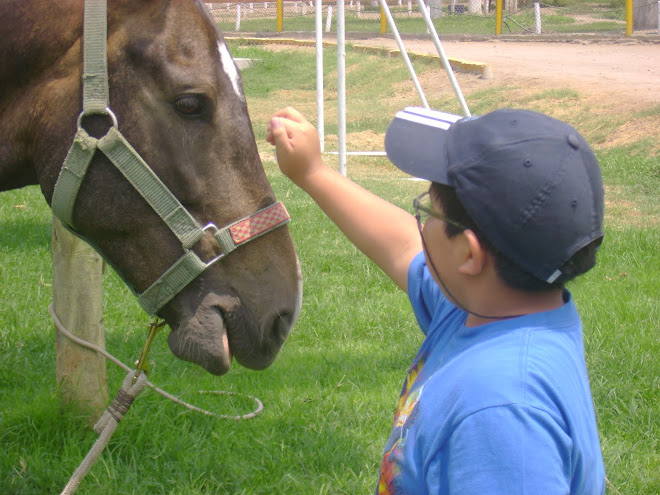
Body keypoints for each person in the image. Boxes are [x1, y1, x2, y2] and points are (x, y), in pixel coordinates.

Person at [267, 106, 606, 494]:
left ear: (468, 255)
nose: (421, 227)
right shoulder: (488, 311)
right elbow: (402, 246)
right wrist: (313, 172)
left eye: (429, 212)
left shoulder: (502, 411)